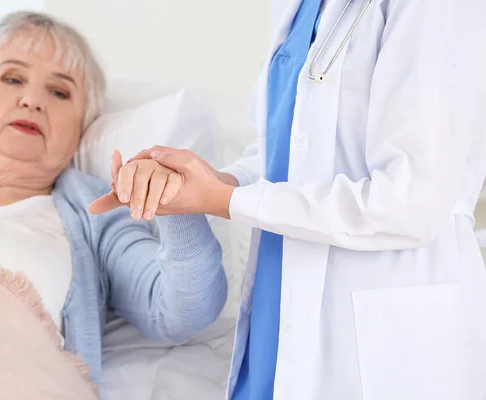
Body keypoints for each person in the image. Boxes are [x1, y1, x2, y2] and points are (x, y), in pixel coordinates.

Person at [89, 0, 486, 399]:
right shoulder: (294, 7)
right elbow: (280, 159)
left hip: (381, 333)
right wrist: (196, 184)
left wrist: (226, 199)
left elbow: (410, 200)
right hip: (278, 314)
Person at [0, 10, 227, 396]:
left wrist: (177, 208)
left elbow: (183, 313)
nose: (32, 100)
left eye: (60, 92)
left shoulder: (96, 220)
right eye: (12, 78)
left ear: (81, 128)